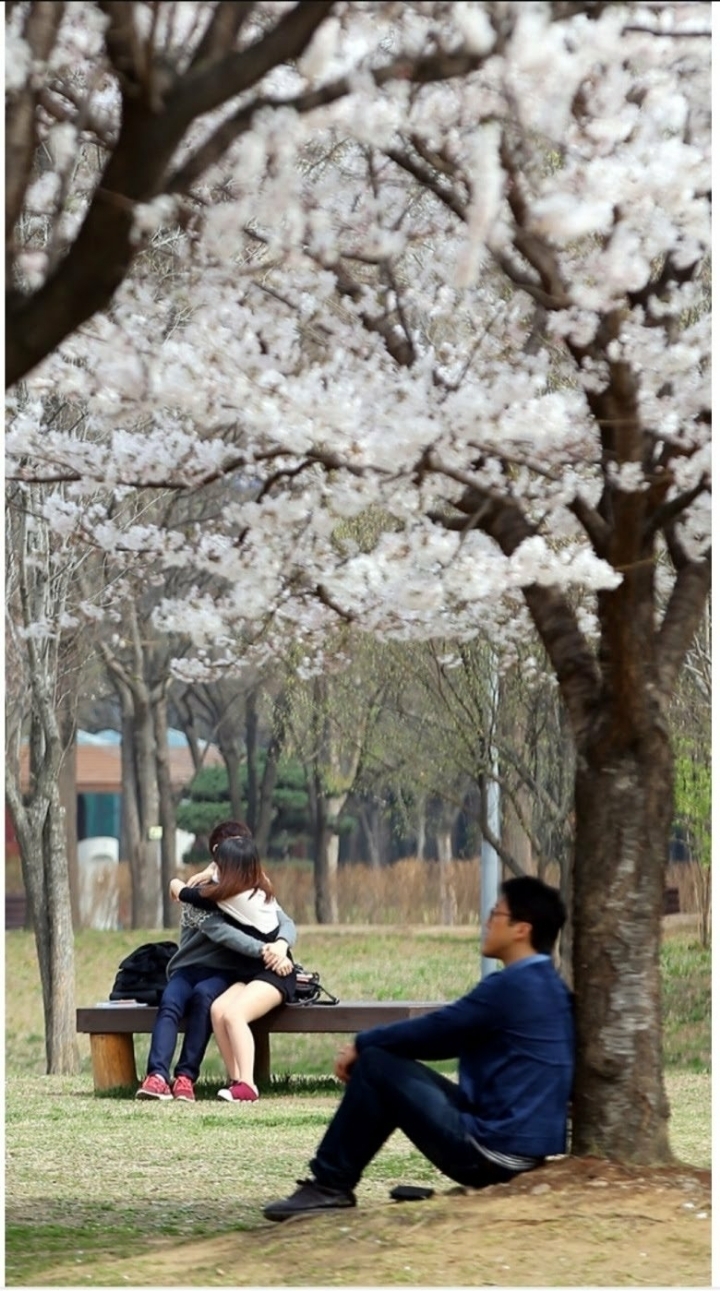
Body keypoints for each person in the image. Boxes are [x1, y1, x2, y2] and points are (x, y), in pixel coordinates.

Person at [263, 875, 574, 1220]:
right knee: (381, 1062)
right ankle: (331, 1183)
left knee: (377, 1064)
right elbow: (447, 1037)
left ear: (521, 930)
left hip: (493, 1153)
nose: (486, 923)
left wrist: (363, 1043)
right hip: (523, 1149)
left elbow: (439, 1032)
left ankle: (329, 1184)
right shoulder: (551, 986)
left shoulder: (512, 986)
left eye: (495, 915)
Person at [136, 821, 297, 1103]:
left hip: (242, 972)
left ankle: (192, 1078)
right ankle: (159, 1077)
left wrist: (277, 948)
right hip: (212, 970)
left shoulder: (240, 891)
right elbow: (198, 905)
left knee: (213, 1005)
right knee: (182, 1004)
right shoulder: (223, 889)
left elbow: (280, 923)